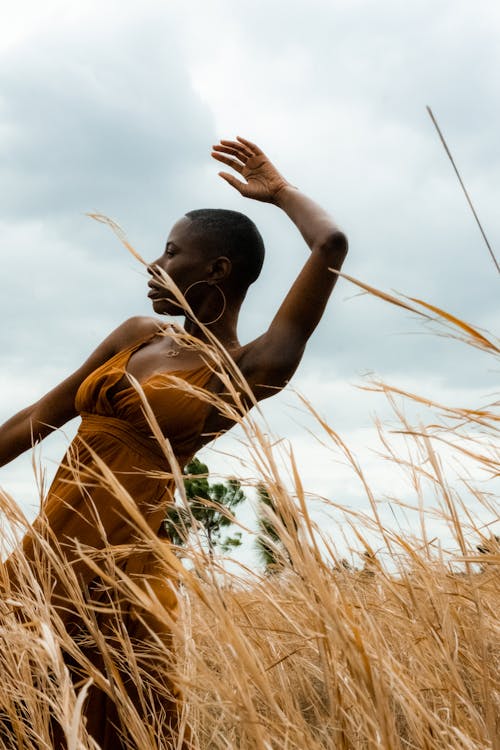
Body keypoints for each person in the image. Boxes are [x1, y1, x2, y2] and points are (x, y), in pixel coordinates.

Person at [0, 136, 348, 748]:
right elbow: (40, 416)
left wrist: (280, 191)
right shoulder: (137, 334)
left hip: (123, 584)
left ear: (217, 270)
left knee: (111, 729)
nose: (154, 265)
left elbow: (331, 244)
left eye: (170, 252)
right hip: (45, 562)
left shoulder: (248, 369)